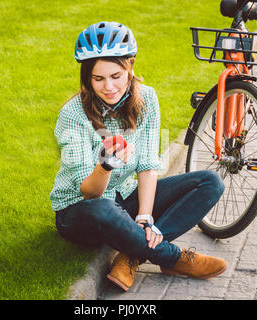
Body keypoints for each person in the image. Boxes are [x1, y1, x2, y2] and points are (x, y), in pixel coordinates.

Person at [50, 21, 226, 292]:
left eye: (116, 76)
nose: (108, 87)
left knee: (210, 183)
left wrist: (144, 216)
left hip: (125, 197)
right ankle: (172, 257)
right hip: (80, 212)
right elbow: (89, 193)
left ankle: (132, 255)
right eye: (98, 79)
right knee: (106, 209)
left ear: (130, 66)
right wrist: (106, 164)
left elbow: (146, 164)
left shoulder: (147, 99)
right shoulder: (72, 115)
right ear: (87, 78)